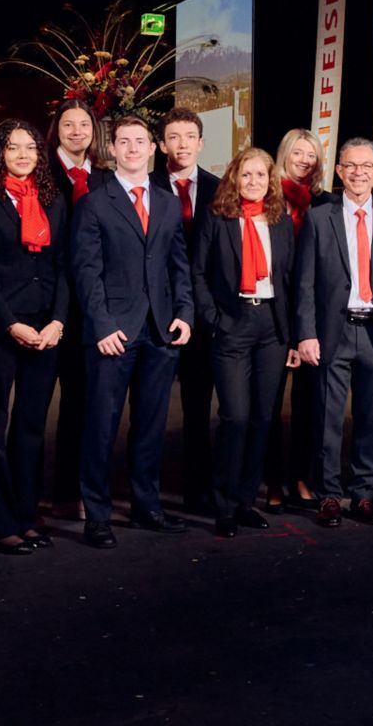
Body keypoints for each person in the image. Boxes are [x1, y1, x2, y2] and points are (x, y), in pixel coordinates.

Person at [71, 115, 195, 548]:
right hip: (113, 333)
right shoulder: (94, 203)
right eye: (123, 142)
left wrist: (185, 313)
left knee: (150, 425)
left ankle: (146, 506)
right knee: (100, 426)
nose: (132, 149)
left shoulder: (166, 202)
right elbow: (86, 272)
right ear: (112, 149)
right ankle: (97, 516)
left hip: (160, 331)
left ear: (153, 147)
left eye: (140, 141)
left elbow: (178, 264)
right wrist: (101, 325)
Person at [294, 138, 373, 528]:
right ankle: (329, 494)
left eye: (366, 166)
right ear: (339, 171)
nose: (358, 172)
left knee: (370, 419)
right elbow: (305, 283)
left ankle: (363, 494)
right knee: (328, 418)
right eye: (351, 165)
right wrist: (306, 333)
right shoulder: (319, 218)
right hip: (334, 331)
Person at [0, 119, 70, 555]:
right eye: (13, 147)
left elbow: (63, 266)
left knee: (30, 426)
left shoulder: (53, 201)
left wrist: (58, 321)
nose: (23, 155)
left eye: (30, 147)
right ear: (0, 154)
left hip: (45, 327)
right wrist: (10, 323)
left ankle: (26, 516)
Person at [191, 147, 296, 539]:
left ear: (271, 181)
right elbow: (198, 273)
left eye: (261, 175)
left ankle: (245, 501)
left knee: (263, 418)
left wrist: (292, 334)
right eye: (247, 174)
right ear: (234, 177)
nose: (254, 181)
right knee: (235, 416)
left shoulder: (280, 220)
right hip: (232, 322)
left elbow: (290, 278)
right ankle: (223, 505)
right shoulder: (217, 217)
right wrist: (214, 320)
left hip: (272, 326)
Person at [44, 100, 107, 521]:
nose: (77, 131)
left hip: (89, 308)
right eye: (68, 124)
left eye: (84, 124)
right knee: (33, 407)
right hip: (48, 304)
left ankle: (70, 492)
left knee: (80, 404)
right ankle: (19, 496)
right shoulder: (41, 173)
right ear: (57, 130)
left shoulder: (104, 178)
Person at [159, 108, 222, 516]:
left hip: (204, 313)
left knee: (199, 409)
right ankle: (145, 491)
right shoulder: (146, 185)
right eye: (173, 137)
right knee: (148, 409)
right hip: (156, 311)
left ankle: (198, 490)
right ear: (161, 144)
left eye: (189, 137)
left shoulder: (220, 189)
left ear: (201, 143)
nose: (182, 144)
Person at [268, 126, 330, 511]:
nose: (305, 161)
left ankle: (301, 478)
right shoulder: (266, 196)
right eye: (298, 153)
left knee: (309, 405)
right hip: (272, 313)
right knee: (270, 405)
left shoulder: (324, 203)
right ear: (284, 155)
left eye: (312, 155)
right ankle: (273, 481)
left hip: (312, 316)